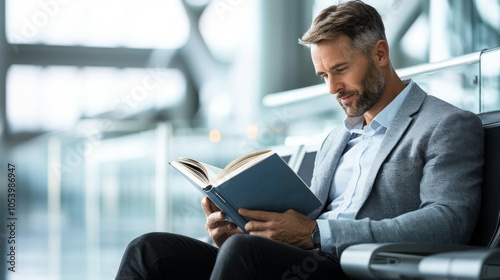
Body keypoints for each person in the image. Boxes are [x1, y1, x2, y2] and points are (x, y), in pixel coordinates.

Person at [115, 1, 484, 279]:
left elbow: (447, 222)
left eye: (340, 70)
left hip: (356, 268)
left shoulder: (446, 124)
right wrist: (243, 227)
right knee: (150, 251)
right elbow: (301, 222)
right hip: (300, 261)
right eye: (323, 75)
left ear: (380, 53)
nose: (333, 88)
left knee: (245, 253)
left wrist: (317, 233)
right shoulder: (335, 139)